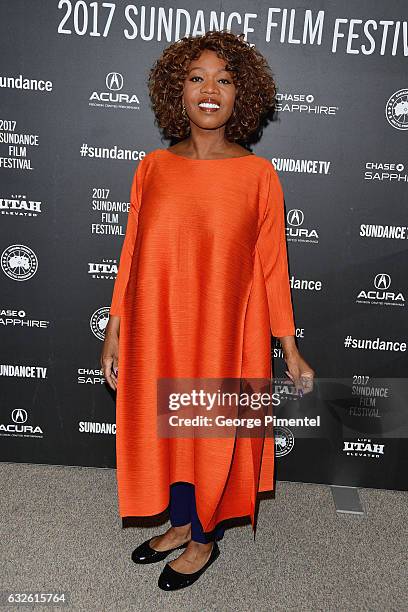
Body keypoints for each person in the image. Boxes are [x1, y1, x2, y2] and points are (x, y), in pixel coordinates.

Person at [101, 29, 315, 591]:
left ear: (241, 95)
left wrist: (289, 348)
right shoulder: (151, 168)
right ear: (180, 91)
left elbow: (273, 268)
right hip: (157, 327)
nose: (210, 89)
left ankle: (201, 540)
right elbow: (129, 254)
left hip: (224, 332)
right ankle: (178, 524)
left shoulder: (257, 176)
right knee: (167, 430)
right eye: (197, 78)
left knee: (206, 427)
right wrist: (115, 328)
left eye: (224, 79)